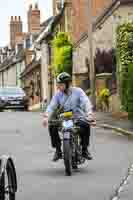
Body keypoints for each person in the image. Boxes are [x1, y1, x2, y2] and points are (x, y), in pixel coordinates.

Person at [42, 72, 96, 161]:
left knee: (86, 125)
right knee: (52, 126)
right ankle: (58, 150)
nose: (58, 87)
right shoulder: (58, 94)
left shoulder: (78, 91)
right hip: (64, 118)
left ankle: (85, 149)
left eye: (61, 84)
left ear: (67, 84)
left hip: (78, 117)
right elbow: (51, 106)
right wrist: (46, 117)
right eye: (58, 84)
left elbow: (86, 102)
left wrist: (89, 114)